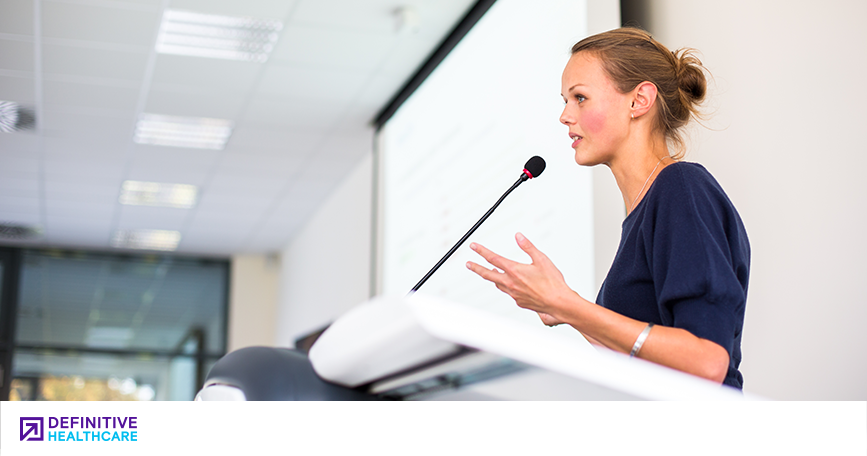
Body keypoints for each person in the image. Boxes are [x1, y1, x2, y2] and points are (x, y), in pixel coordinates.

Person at [465, 27, 750, 389]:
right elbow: (642, 366)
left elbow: (707, 361)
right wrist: (564, 310)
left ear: (639, 100)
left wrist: (569, 304)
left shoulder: (681, 188)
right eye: (565, 100)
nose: (565, 116)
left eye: (580, 97)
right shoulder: (645, 209)